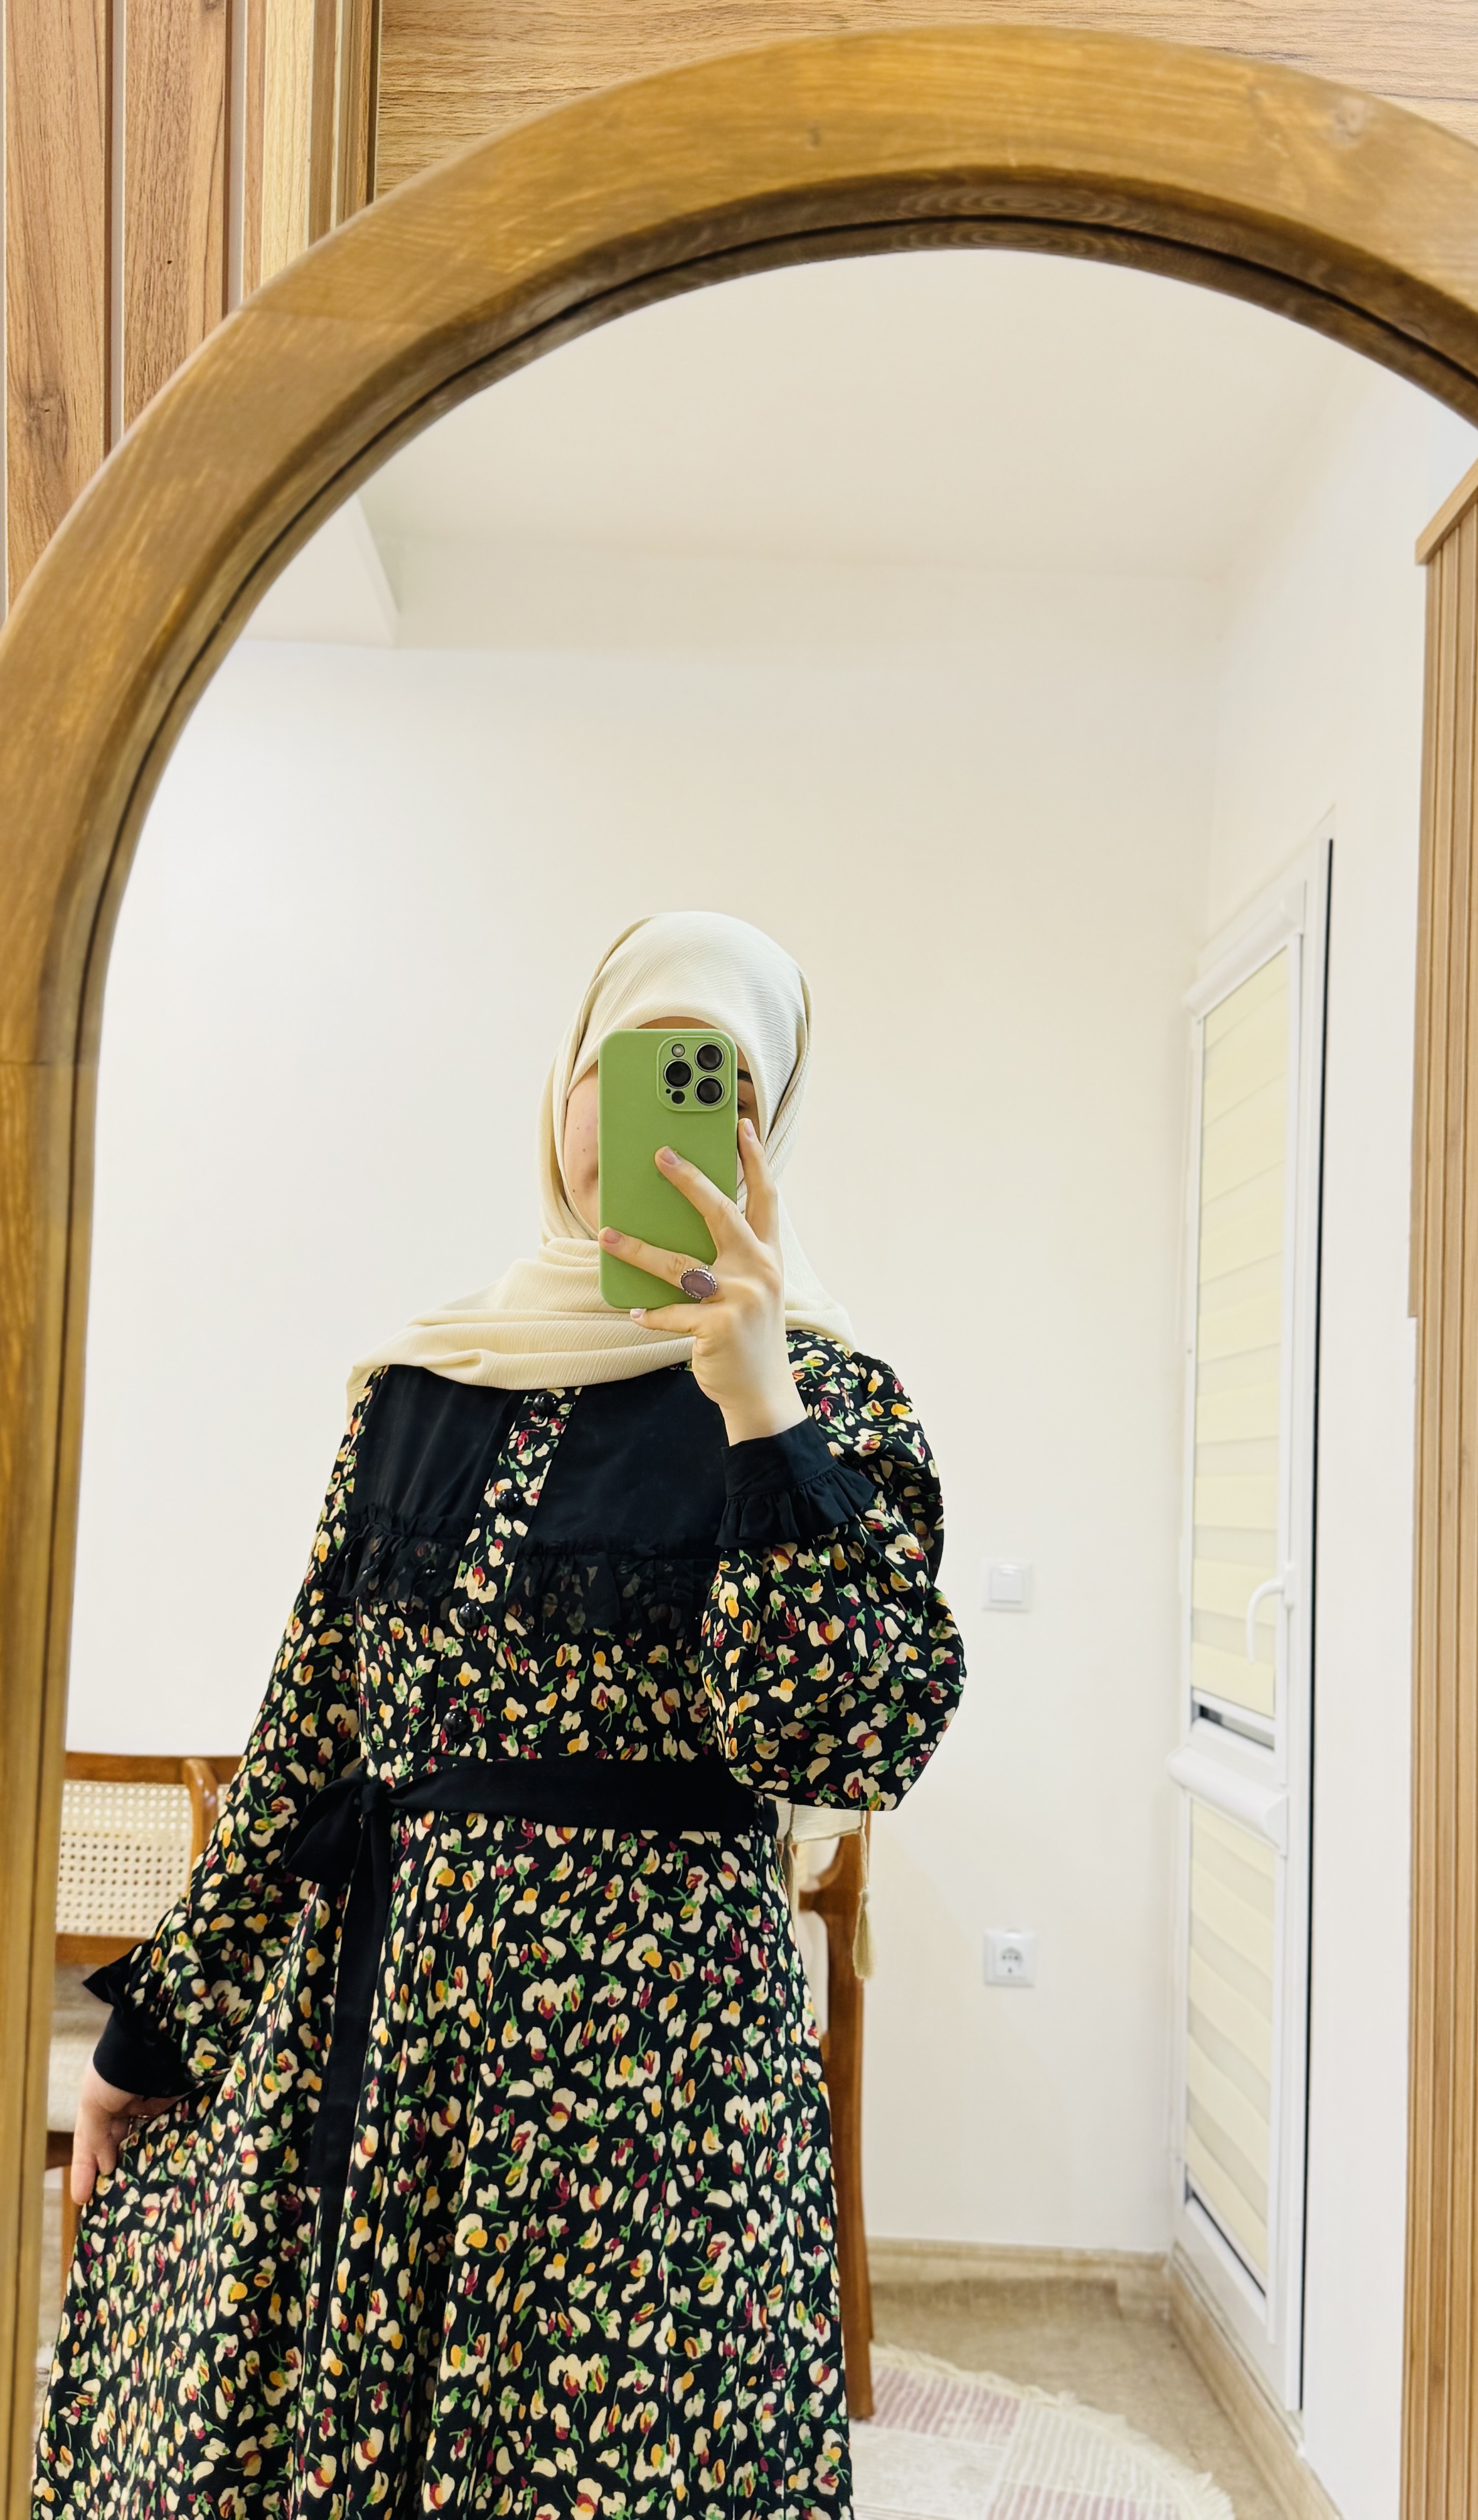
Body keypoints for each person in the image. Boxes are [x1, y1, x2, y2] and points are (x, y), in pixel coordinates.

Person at [36, 911, 965, 2520]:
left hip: (662, 2086)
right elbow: (311, 1738)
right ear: (561, 1094)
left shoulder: (834, 1405)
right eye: (625, 1072)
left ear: (769, 1134)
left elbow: (847, 1738)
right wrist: (152, 2034)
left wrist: (759, 1407)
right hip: (396, 2050)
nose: (649, 1126)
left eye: (713, 1084)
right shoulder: (421, 1390)